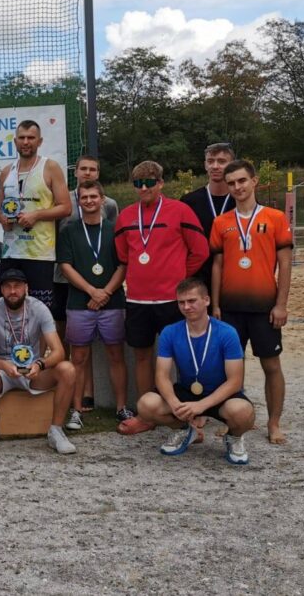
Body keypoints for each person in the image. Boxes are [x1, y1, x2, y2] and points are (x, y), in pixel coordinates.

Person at [114, 161, 209, 435]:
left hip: (171, 301)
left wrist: (179, 279)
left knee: (184, 357)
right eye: (138, 184)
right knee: (142, 356)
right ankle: (147, 415)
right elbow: (124, 256)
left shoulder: (180, 210)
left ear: (161, 183)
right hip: (138, 301)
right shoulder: (126, 216)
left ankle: (193, 410)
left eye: (149, 183)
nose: (144, 188)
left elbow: (200, 251)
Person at [212, 159, 293, 444]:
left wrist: (281, 305)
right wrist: (215, 305)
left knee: (271, 366)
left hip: (264, 307)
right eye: (231, 183)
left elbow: (285, 264)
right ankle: (233, 420)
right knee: (230, 369)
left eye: (242, 180)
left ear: (254, 181)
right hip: (230, 308)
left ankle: (274, 423)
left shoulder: (275, 218)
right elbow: (217, 266)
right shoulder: (221, 222)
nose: (237, 187)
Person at [137, 278, 255, 465]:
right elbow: (161, 375)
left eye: (192, 301)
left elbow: (235, 381)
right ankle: (184, 430)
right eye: (181, 302)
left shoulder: (227, 332)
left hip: (219, 394)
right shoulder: (170, 332)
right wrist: (174, 403)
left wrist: (201, 406)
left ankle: (234, 437)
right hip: (186, 391)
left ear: (206, 300)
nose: (186, 307)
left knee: (243, 413)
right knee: (146, 405)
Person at [0, 269, 78, 455]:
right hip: (3, 372)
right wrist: (3, 365)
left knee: (67, 369)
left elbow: (59, 351)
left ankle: (56, 431)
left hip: (32, 370)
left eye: (17, 286)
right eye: (8, 287)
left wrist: (40, 365)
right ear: (1, 289)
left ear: (26, 287)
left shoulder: (39, 308)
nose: (13, 291)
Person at [57, 180, 129, 431]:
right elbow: (66, 266)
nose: (89, 201)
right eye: (84, 197)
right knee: (78, 357)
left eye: (93, 196)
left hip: (112, 302)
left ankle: (121, 408)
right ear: (79, 201)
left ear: (102, 199)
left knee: (116, 355)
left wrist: (105, 292)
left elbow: (123, 264)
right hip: (80, 303)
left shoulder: (115, 229)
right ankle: (76, 410)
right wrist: (92, 291)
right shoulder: (69, 230)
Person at [52, 153, 119, 410]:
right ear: (76, 172)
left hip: (102, 285)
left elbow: (114, 246)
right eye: (83, 169)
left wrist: (102, 290)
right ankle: (68, 388)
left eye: (93, 169)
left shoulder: (110, 206)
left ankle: (92, 394)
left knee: (98, 344)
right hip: (66, 281)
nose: (87, 173)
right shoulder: (62, 201)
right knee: (69, 340)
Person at [0, 120, 71, 307]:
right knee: (3, 304)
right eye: (22, 138)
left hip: (40, 253)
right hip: (11, 251)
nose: (26, 142)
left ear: (40, 141)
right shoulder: (6, 171)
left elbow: (66, 207)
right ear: (15, 141)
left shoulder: (50, 167)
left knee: (41, 308)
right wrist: (2, 218)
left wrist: (36, 215)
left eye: (31, 138)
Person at [180, 143, 237, 290]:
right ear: (205, 165)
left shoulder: (241, 201)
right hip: (198, 280)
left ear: (232, 165)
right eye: (210, 161)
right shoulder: (188, 202)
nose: (215, 166)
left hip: (234, 277)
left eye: (222, 161)